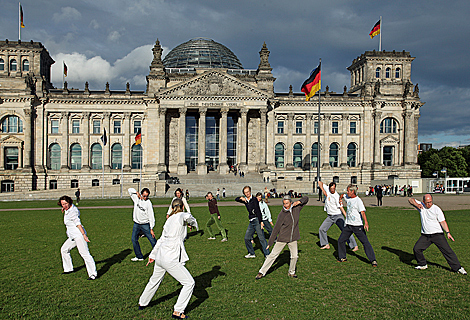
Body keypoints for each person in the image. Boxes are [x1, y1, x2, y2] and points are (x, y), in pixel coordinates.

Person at [138, 199, 199, 319]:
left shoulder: (169, 219)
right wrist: (192, 223)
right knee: (189, 283)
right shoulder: (181, 215)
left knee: (154, 280)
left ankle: (142, 302)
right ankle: (178, 311)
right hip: (170, 257)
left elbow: (161, 239)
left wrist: (152, 255)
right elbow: (188, 216)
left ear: (172, 207)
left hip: (161, 255)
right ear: (181, 206)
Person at [408, 195, 467, 274]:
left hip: (437, 235)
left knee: (448, 251)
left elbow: (442, 222)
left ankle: (458, 268)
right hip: (425, 236)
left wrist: (448, 232)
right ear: (424, 201)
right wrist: (417, 204)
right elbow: (410, 199)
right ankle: (422, 264)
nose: (429, 204)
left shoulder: (436, 209)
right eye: (427, 202)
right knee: (417, 249)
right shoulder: (421, 206)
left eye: (430, 202)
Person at [255, 195, 309, 279]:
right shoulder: (282, 214)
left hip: (293, 238)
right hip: (282, 238)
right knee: (273, 255)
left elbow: (306, 198)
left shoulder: (296, 208)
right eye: (284, 203)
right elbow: (276, 229)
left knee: (294, 256)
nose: (285, 205)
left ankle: (291, 272)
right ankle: (261, 272)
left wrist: (299, 201)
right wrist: (270, 242)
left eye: (287, 203)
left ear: (291, 203)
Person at [337, 184, 378, 266]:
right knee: (341, 240)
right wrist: (340, 199)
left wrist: (366, 223)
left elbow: (362, 212)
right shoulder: (347, 197)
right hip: (348, 225)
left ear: (352, 192)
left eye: (348, 191)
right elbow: (342, 195)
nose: (347, 192)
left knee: (365, 242)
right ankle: (342, 257)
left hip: (357, 226)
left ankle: (373, 260)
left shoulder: (358, 201)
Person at [59, 195, 97, 280]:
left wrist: (84, 235)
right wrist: (65, 209)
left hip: (79, 235)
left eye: (65, 203)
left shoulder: (73, 212)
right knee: (64, 249)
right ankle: (68, 269)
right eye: (62, 204)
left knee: (85, 254)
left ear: (69, 202)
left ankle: (93, 274)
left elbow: (78, 224)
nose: (64, 206)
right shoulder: (68, 209)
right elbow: (67, 211)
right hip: (72, 236)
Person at [317, 181, 358, 252]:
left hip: (338, 216)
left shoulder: (336, 196)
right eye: (331, 189)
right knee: (322, 229)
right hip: (330, 217)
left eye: (334, 188)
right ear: (329, 188)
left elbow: (341, 207)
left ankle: (354, 245)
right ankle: (325, 244)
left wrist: (346, 216)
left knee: (345, 230)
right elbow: (319, 182)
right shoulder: (327, 190)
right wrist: (323, 191)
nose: (333, 190)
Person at [235, 186, 270, 258]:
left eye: (248, 192)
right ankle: (251, 253)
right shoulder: (245, 200)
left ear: (250, 191)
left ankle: (267, 254)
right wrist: (240, 198)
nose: (247, 193)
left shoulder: (254, 199)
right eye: (245, 193)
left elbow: (258, 211)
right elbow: (236, 199)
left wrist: (261, 222)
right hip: (251, 222)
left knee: (261, 238)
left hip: (257, 220)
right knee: (247, 238)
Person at [129, 187, 157, 261]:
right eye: (144, 196)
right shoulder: (136, 198)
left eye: (147, 196)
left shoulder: (148, 203)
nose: (145, 197)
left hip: (145, 224)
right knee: (134, 239)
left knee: (152, 240)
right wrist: (136, 192)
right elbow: (129, 190)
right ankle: (139, 256)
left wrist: (151, 228)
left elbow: (151, 216)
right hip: (137, 224)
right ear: (141, 194)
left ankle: (159, 255)